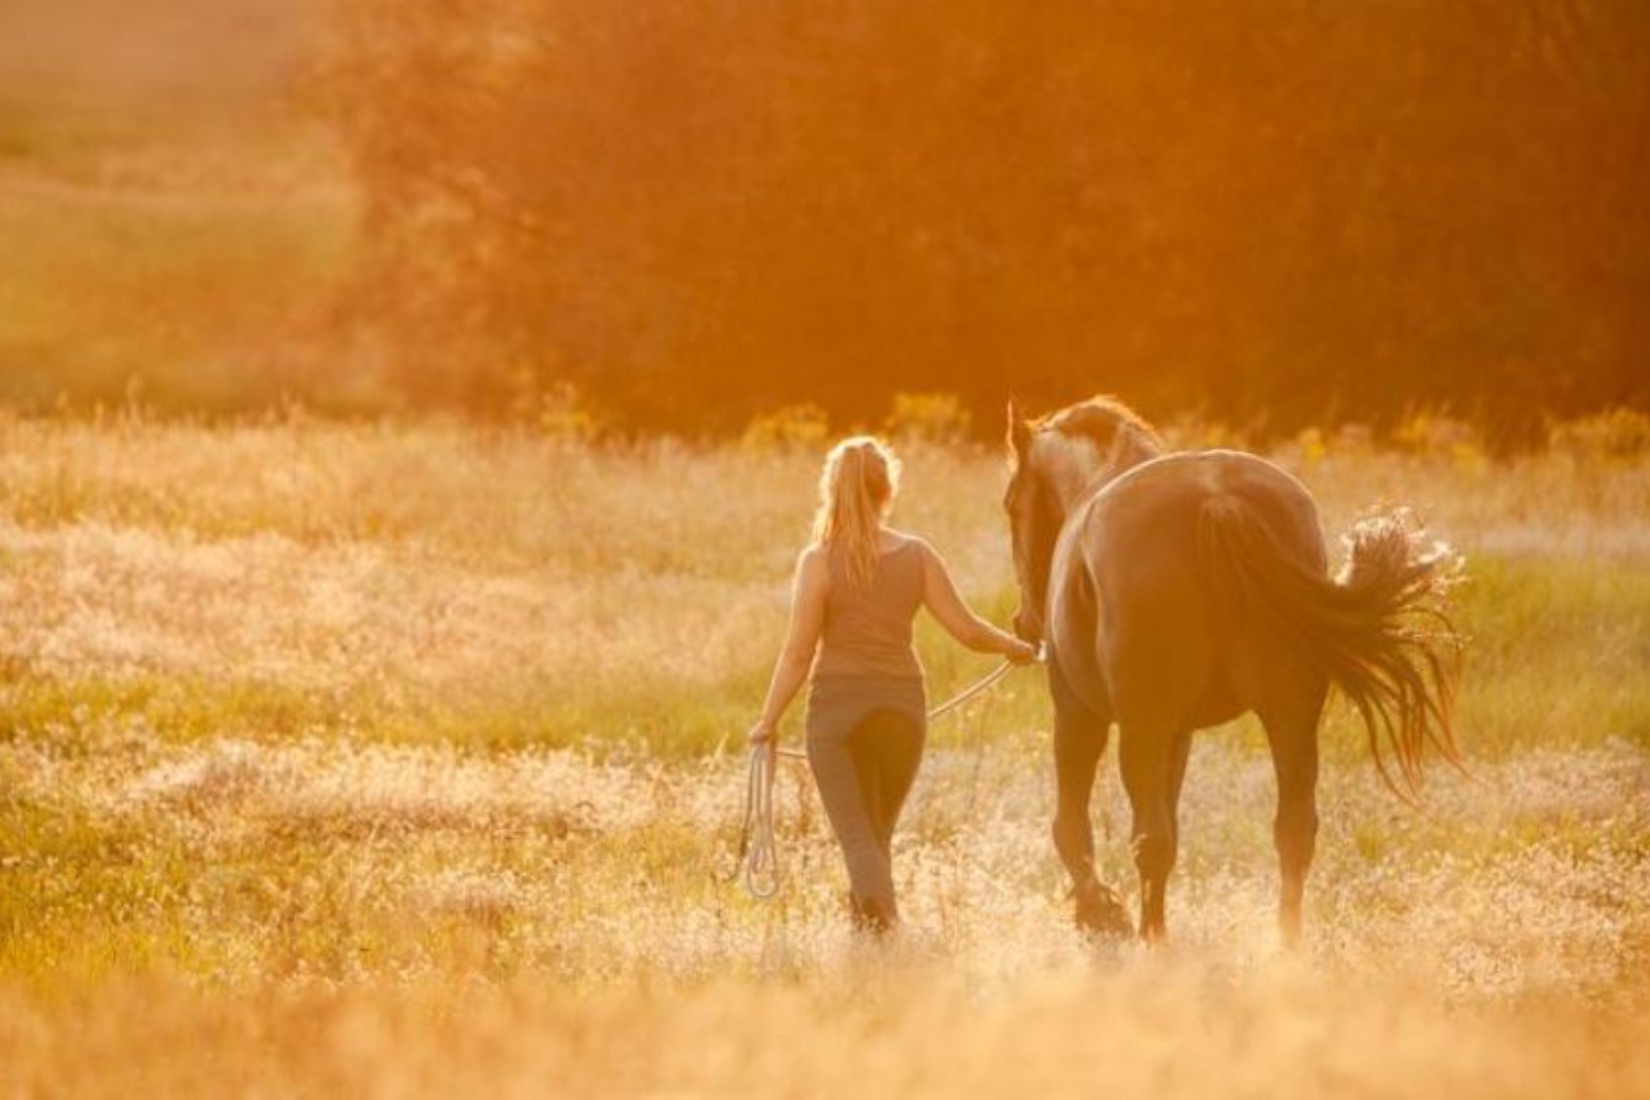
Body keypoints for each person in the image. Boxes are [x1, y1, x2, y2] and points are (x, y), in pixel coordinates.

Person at [747, 436, 1039, 934]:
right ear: (888, 491)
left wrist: (767, 722)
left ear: (831, 491)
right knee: (876, 836)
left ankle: (888, 938)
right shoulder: (918, 554)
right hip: (903, 709)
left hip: (837, 715)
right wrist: (1017, 647)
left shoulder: (817, 561)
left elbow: (798, 653)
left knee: (860, 840)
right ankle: (866, 942)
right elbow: (967, 629)